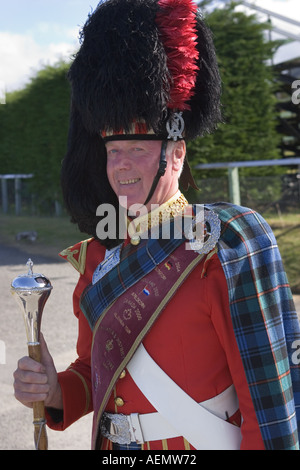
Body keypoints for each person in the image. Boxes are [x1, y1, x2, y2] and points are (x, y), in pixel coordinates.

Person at [14, 0, 300, 450]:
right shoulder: (98, 257)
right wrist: (53, 390)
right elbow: (97, 371)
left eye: (139, 150)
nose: (122, 166)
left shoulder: (225, 244)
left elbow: (268, 399)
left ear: (178, 153)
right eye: (113, 151)